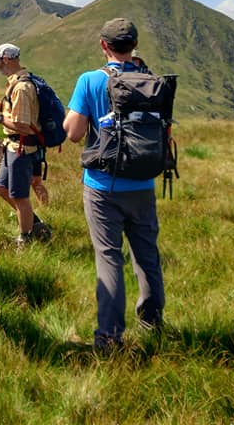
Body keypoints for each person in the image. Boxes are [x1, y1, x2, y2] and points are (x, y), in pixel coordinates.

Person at [63, 18, 165, 351]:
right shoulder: (151, 81)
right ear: (134, 45)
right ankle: (152, 321)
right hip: (143, 182)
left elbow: (74, 132)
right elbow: (165, 135)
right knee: (147, 256)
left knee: (109, 258)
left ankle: (109, 337)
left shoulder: (90, 80)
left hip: (102, 185)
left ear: (103, 45)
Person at [0, 43, 52, 246]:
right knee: (1, 189)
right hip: (13, 147)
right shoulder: (18, 83)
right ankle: (34, 223)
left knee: (20, 197)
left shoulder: (22, 87)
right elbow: (21, 113)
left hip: (21, 148)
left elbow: (22, 126)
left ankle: (25, 239)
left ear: (7, 59)